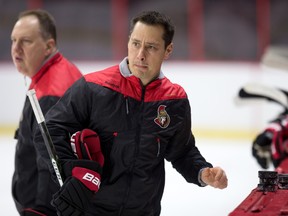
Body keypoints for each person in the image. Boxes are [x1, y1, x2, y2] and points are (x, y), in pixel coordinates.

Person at [34, 10, 228, 216]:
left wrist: (203, 173)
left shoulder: (174, 100)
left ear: (168, 50)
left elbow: (182, 151)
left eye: (151, 47)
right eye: (136, 43)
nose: (140, 54)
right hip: (92, 210)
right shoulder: (93, 87)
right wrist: (72, 171)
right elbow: (49, 132)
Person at [11, 9, 82, 215]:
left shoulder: (50, 93)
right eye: (13, 40)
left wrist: (42, 210)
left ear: (49, 46)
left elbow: (52, 164)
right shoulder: (58, 72)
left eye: (26, 41)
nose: (16, 48)